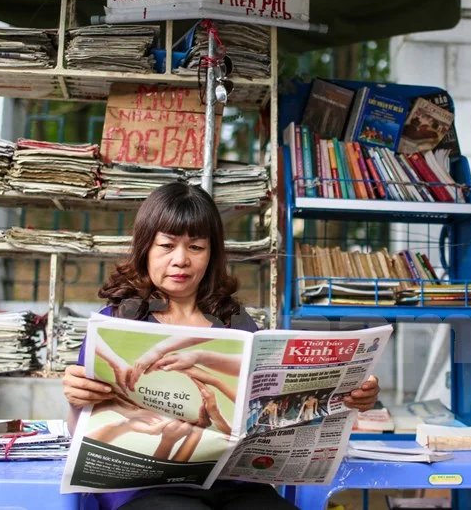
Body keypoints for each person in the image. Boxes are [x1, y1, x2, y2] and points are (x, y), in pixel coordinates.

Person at [62, 182, 380, 510]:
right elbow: (82, 429)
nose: (181, 260)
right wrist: (75, 401)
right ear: (146, 249)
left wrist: (351, 396)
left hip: (232, 484)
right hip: (148, 489)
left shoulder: (234, 321)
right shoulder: (117, 321)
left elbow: (276, 410)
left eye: (196, 247)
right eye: (167, 246)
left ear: (212, 253)